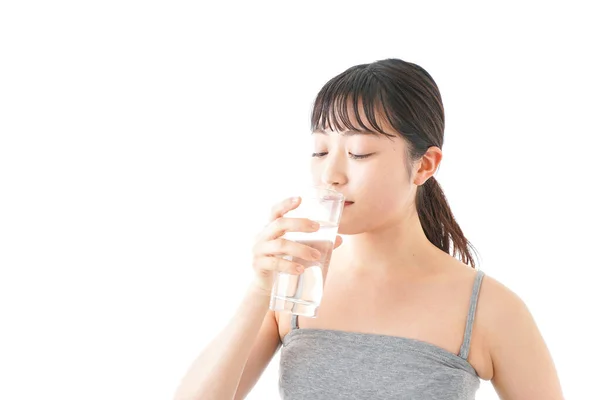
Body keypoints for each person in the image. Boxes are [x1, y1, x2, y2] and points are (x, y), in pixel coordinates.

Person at [173, 58, 564, 400]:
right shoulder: (292, 290)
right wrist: (260, 289)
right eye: (320, 151)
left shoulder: (489, 308)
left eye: (359, 153)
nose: (331, 174)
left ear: (425, 165)